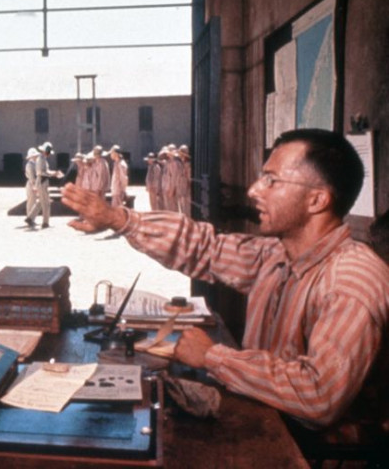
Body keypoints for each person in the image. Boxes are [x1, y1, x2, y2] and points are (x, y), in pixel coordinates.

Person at [62, 128, 388, 433]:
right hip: (268, 417)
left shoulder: (351, 282)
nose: (254, 190)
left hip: (308, 448)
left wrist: (213, 357)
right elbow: (205, 248)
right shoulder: (278, 255)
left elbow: (319, 395)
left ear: (317, 200)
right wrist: (118, 218)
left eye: (271, 181)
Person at [25, 141, 62, 229]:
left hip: (43, 181)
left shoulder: (42, 158)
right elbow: (40, 172)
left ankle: (30, 217)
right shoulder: (41, 159)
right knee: (46, 203)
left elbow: (45, 170)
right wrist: (52, 174)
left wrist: (53, 173)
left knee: (41, 201)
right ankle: (45, 222)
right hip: (42, 181)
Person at [24, 147, 39, 226]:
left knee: (33, 202)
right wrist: (34, 186)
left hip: (34, 183)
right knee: (31, 202)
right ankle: (29, 218)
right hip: (31, 184)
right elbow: (32, 177)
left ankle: (31, 218)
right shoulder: (30, 165)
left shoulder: (34, 164)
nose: (36, 157)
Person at [177, 145, 192, 216]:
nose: (180, 156)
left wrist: (188, 189)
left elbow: (189, 178)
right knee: (182, 209)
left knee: (186, 209)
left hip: (186, 190)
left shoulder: (188, 165)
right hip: (181, 190)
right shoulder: (182, 164)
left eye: (181, 154)